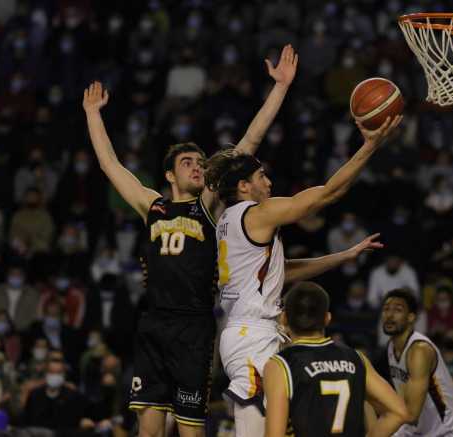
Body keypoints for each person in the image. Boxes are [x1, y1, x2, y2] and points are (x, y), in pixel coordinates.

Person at [83, 43, 298, 437]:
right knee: (147, 429)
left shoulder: (209, 205)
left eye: (200, 163)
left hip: (195, 327)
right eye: (188, 163)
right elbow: (110, 164)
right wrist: (93, 114)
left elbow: (248, 142)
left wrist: (280, 89)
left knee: (190, 431)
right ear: (169, 175)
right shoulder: (152, 205)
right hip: (153, 323)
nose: (197, 168)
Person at [205, 113, 401, 436]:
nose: (268, 183)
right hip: (251, 337)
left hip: (249, 333)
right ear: (243, 186)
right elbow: (326, 194)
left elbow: (282, 272)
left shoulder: (229, 219)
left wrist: (344, 255)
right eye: (261, 176)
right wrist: (369, 146)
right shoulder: (256, 213)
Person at [264, 281, 408, 437]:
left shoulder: (280, 364)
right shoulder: (356, 358)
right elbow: (399, 412)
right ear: (327, 318)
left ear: (284, 318)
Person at [381, 288, 453, 436]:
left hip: (446, 430)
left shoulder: (419, 350)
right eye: (386, 309)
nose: (389, 315)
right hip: (417, 428)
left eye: (398, 310)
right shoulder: (391, 347)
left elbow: (412, 414)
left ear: (411, 317)